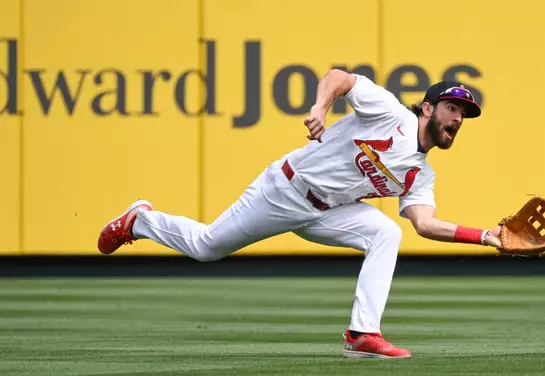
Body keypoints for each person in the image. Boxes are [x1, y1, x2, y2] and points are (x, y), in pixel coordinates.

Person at [97, 69, 502, 359]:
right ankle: (141, 220)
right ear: (428, 109)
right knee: (207, 247)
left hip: (329, 212)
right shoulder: (391, 114)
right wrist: (321, 107)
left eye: (464, 115)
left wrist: (486, 236)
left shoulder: (421, 173)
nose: (458, 119)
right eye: (452, 108)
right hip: (285, 190)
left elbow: (425, 223)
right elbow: (339, 77)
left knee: (387, 233)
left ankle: (362, 335)